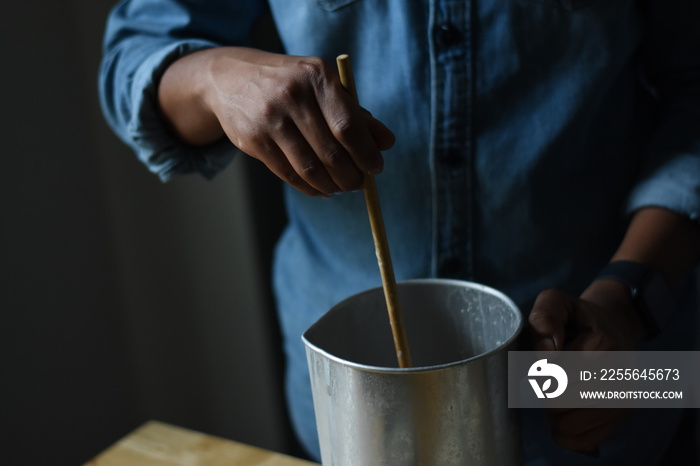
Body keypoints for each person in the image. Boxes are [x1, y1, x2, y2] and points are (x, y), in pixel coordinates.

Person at [99, 0, 700, 464]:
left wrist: (630, 296)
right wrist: (214, 76)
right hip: (346, 417)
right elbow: (131, 54)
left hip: (611, 366)